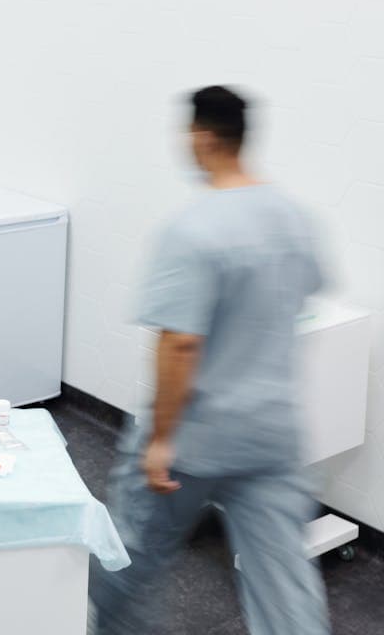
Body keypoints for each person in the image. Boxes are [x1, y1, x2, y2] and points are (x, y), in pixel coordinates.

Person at [89, 86, 330, 634]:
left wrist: (161, 441)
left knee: (127, 561)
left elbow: (180, 344)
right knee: (285, 586)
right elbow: (300, 302)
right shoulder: (295, 219)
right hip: (271, 435)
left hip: (194, 437)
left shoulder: (193, 229)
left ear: (201, 137)